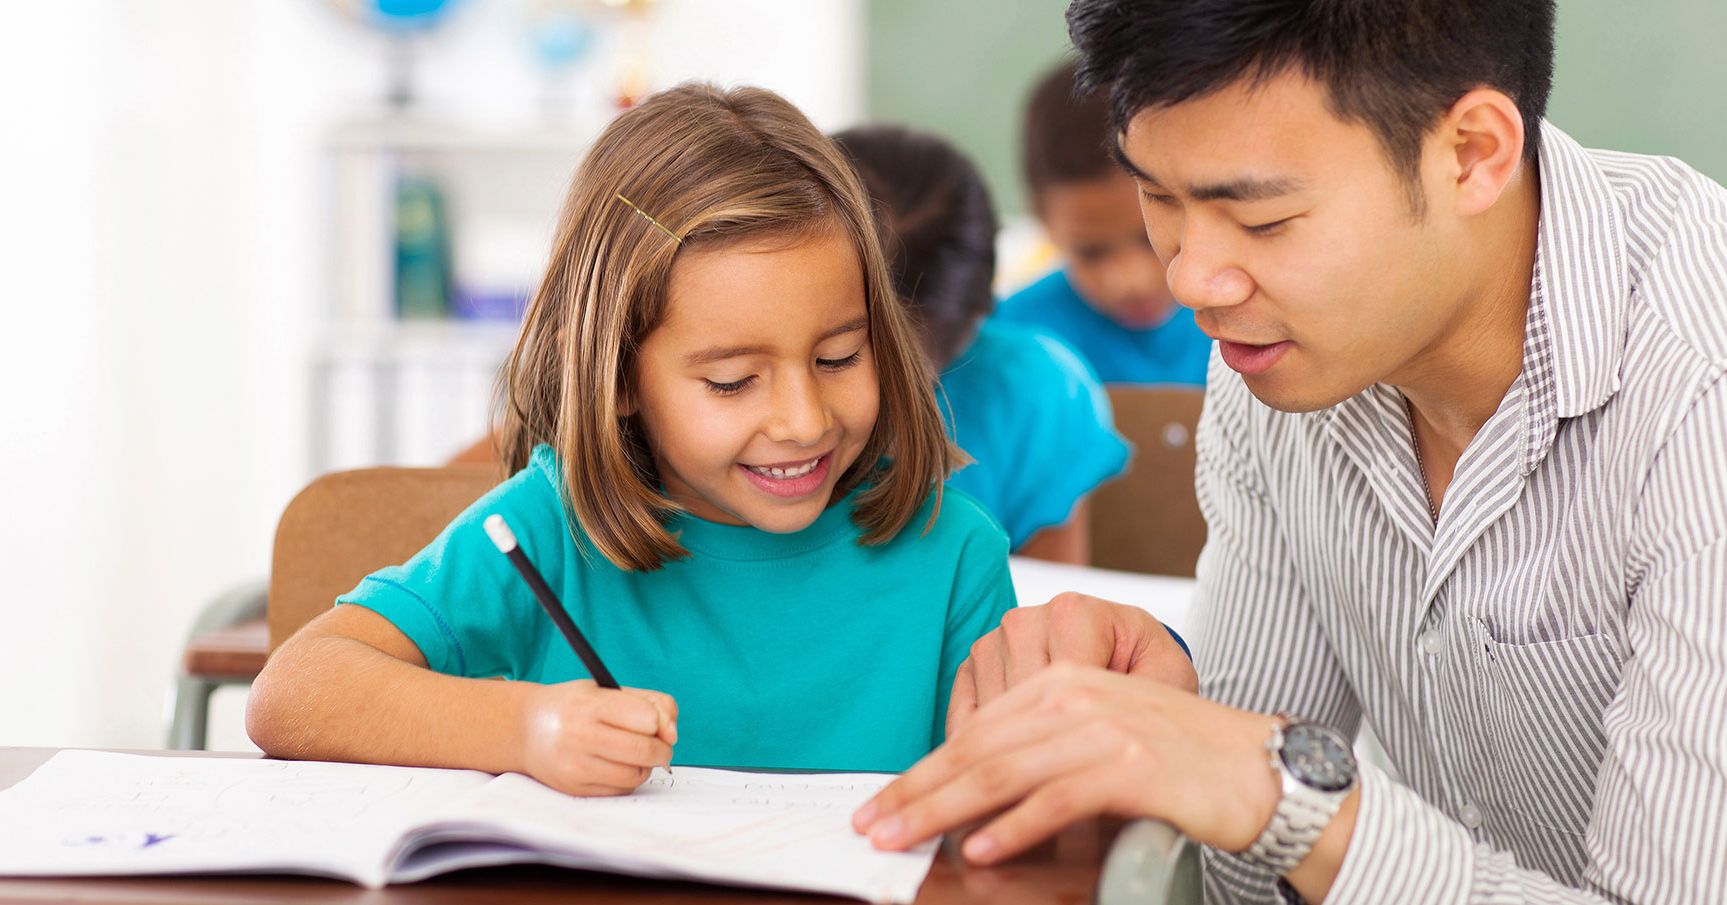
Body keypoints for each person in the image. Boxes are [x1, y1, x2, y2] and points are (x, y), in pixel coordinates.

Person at [855, 1, 1727, 905]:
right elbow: (1219, 890)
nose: (1193, 282)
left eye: (1262, 220)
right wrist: (1142, 726)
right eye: (1160, 199)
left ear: (1473, 153)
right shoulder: (1280, 368)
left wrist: (1287, 798)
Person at [247, 82, 1017, 796]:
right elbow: (293, 691)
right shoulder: (548, 530)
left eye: (839, 358)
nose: (805, 420)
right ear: (617, 376)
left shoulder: (954, 557)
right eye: (731, 381)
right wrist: (524, 728)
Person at [833, 124, 1130, 563]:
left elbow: (1047, 601)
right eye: (831, 357)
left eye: (896, 372)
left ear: (974, 320)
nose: (804, 421)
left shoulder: (1035, 390)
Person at [990, 58, 1212, 386]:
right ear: (1042, 218)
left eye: (1150, 238)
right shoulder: (1007, 343)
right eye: (1091, 252)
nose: (1131, 281)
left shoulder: (1252, 312)